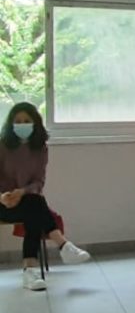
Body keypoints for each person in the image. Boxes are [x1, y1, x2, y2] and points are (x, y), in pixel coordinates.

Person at [0, 102, 91, 291]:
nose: (22, 124)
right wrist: (3, 196)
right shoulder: (2, 146)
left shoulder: (40, 148)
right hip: (2, 202)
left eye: (26, 121)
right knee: (36, 207)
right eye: (18, 121)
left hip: (25, 201)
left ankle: (30, 272)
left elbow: (38, 182)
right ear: (11, 124)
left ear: (35, 123)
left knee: (34, 205)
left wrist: (21, 192)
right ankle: (62, 246)